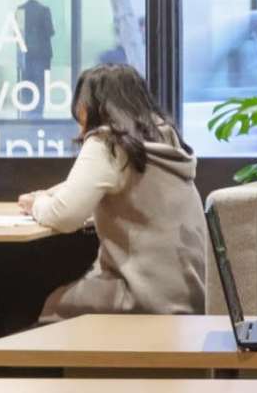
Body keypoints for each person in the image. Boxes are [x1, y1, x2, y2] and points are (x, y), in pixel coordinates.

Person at [14, 62, 218, 321]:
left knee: (53, 308)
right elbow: (86, 187)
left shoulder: (108, 143)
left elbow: (64, 215)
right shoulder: (162, 138)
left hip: (144, 296)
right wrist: (49, 194)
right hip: (191, 296)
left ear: (90, 107)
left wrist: (37, 205)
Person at [15, 0, 57, 117]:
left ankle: (27, 111)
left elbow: (17, 33)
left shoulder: (20, 9)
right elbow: (50, 31)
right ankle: (38, 113)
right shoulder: (44, 10)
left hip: (26, 55)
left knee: (27, 83)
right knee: (40, 85)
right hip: (41, 55)